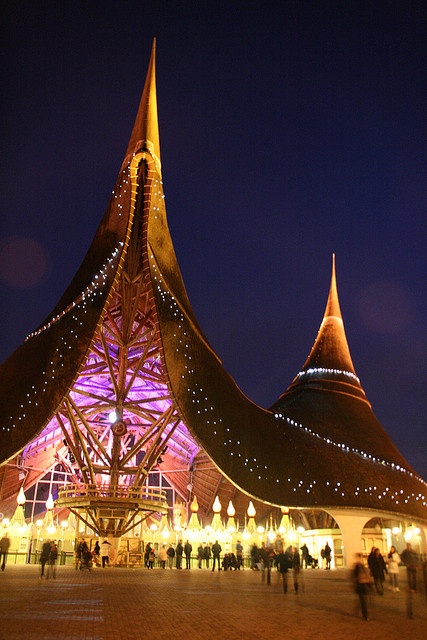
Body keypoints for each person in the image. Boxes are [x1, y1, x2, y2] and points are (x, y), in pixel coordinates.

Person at [352, 553, 371, 620]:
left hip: (363, 584)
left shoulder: (361, 566)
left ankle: (360, 612)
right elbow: (354, 576)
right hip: (361, 585)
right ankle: (365, 615)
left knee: (362, 600)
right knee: (363, 601)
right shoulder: (358, 566)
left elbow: (354, 576)